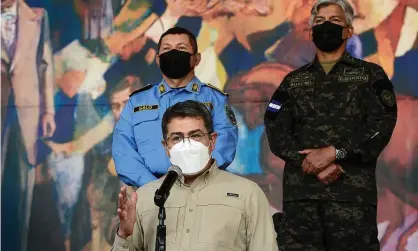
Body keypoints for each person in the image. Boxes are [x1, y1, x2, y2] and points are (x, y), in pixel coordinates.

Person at [264, 0, 397, 250]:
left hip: (351, 201)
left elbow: (382, 124)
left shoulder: (372, 76)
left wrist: (336, 152)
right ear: (311, 31)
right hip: (301, 202)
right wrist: (308, 162)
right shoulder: (292, 81)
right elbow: (274, 125)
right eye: (320, 21)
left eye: (335, 21)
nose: (326, 26)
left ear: (349, 30)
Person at [111, 100, 278, 251]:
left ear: (212, 141)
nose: (187, 145)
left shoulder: (247, 194)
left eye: (195, 135)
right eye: (176, 138)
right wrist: (123, 234)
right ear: (166, 146)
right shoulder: (145, 197)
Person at [112, 26, 238, 187]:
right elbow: (123, 150)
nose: (173, 53)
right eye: (167, 49)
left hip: (202, 192)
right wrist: (152, 186)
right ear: (158, 60)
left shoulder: (215, 100)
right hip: (148, 193)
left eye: (181, 48)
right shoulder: (137, 102)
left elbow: (224, 146)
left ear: (196, 59)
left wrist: (191, 184)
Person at [1, 1, 56, 251]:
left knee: (23, 184)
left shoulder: (38, 17)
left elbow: (45, 65)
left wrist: (49, 112)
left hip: (27, 110)